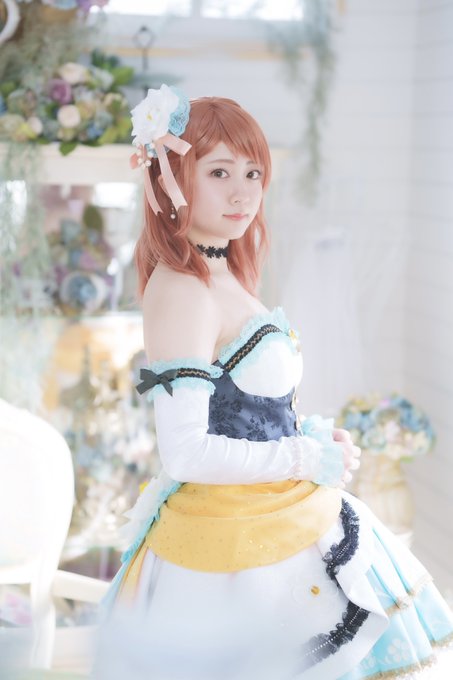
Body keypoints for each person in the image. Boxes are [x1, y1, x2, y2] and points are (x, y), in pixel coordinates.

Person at [96, 85, 453, 680]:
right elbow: (186, 452)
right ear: (173, 177)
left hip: (274, 515)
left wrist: (311, 439)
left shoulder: (220, 272)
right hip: (229, 542)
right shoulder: (185, 290)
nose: (242, 192)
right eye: (219, 172)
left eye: (253, 173)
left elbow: (249, 407)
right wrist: (302, 457)